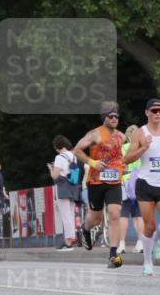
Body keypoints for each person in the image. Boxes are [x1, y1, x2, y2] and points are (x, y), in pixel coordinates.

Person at [123, 98, 160, 277]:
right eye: (154, 111)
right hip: (145, 184)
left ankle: (156, 241)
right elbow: (127, 159)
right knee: (148, 226)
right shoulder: (139, 134)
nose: (157, 114)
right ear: (147, 112)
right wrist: (143, 148)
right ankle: (147, 263)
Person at [73, 102, 126, 268]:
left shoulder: (122, 137)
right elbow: (76, 150)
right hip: (96, 181)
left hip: (114, 181)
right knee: (96, 218)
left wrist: (123, 165)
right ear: (104, 117)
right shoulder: (95, 134)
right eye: (111, 116)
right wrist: (92, 162)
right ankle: (86, 229)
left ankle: (113, 255)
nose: (114, 118)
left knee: (114, 213)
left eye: (117, 116)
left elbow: (122, 156)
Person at [47, 136, 80, 250]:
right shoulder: (73, 156)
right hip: (73, 186)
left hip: (63, 186)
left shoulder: (59, 157)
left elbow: (55, 176)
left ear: (57, 146)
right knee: (70, 214)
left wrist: (51, 168)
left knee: (65, 215)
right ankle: (71, 237)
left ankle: (68, 241)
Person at [117, 124, 144, 255]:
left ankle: (121, 244)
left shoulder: (123, 148)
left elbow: (120, 167)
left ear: (127, 136)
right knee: (139, 215)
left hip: (126, 181)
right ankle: (140, 243)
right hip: (141, 181)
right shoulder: (143, 148)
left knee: (123, 214)